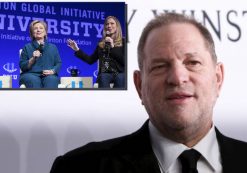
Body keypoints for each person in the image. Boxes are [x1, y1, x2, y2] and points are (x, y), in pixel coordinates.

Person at [50, 13, 247, 173]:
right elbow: (91, 59)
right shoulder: (77, 168)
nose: (178, 78)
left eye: (192, 63)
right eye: (160, 66)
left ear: (218, 78)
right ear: (139, 85)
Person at [67, 16, 125, 88]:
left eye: (112, 23)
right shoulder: (101, 43)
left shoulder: (124, 42)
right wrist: (77, 49)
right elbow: (90, 60)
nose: (109, 26)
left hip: (120, 73)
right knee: (103, 77)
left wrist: (112, 46)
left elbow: (124, 61)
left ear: (117, 26)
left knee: (120, 78)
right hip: (105, 73)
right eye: (107, 24)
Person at [19, 20, 62, 88]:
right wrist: (33, 59)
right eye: (35, 28)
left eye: (41, 28)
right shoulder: (27, 47)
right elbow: (22, 66)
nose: (38, 30)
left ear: (45, 32)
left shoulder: (53, 47)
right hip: (30, 74)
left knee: (51, 79)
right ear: (32, 33)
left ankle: (49, 99)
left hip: (49, 75)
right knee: (33, 80)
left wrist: (53, 71)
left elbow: (58, 63)